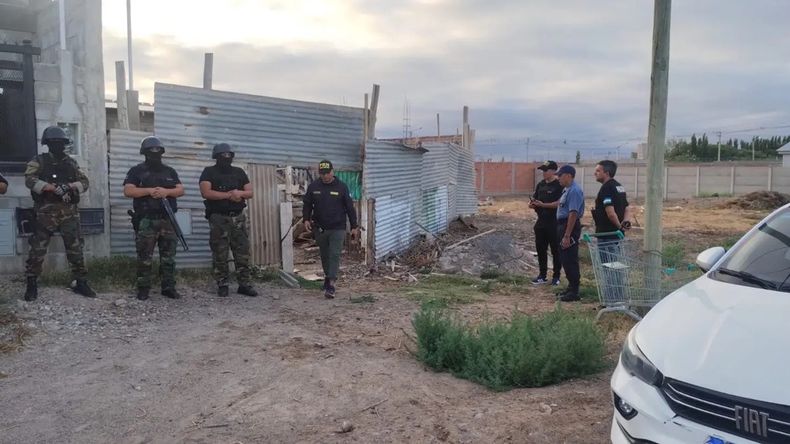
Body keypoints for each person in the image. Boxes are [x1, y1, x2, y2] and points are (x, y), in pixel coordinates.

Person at [23, 126, 96, 301]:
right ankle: (31, 283)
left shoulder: (71, 163)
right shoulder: (39, 160)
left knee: (75, 248)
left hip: (69, 212)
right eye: (54, 143)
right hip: (45, 213)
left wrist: (69, 186)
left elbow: (84, 182)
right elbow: (29, 179)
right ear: (47, 144)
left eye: (60, 143)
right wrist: (51, 188)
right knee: (37, 249)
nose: (58, 146)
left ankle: (81, 282)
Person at [123, 136, 185, 301]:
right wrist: (150, 191)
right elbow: (129, 191)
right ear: (144, 153)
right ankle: (143, 289)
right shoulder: (136, 171)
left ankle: (168, 287)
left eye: (158, 152)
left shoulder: (170, 171)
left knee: (169, 257)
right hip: (146, 220)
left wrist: (166, 192)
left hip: (167, 219)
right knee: (144, 257)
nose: (155, 155)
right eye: (151, 152)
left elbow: (180, 190)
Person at [199, 143, 257, 297]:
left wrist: (239, 193)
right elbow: (206, 192)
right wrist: (229, 195)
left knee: (242, 252)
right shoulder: (208, 172)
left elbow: (250, 192)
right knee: (220, 253)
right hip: (219, 218)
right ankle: (222, 284)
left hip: (238, 217)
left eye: (228, 156)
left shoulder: (239, 172)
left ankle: (244, 284)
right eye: (223, 156)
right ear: (216, 157)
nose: (226, 158)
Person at [302, 160, 359, 299]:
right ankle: (328, 277)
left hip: (337, 227)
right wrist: (306, 219)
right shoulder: (314, 186)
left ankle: (331, 284)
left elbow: (350, 208)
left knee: (334, 254)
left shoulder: (341, 187)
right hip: (320, 228)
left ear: (333, 171)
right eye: (322, 173)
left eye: (327, 173)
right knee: (325, 255)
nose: (325, 176)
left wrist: (354, 226)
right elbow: (307, 204)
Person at [592, 160, 632, 302]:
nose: (594, 173)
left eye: (598, 171)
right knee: (616, 266)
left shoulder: (606, 188)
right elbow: (627, 208)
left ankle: (612, 299)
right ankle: (618, 295)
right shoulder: (619, 187)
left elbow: (610, 212)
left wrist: (618, 226)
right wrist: (625, 223)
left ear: (606, 173)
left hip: (607, 234)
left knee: (609, 267)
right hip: (617, 235)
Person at [529, 160, 563, 286]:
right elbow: (536, 198)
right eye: (542, 170)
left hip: (554, 222)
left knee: (555, 250)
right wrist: (532, 204)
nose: (543, 173)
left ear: (554, 171)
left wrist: (544, 205)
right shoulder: (541, 185)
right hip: (541, 222)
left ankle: (556, 276)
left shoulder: (559, 185)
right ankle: (542, 275)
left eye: (546, 170)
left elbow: (560, 203)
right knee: (541, 249)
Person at [554, 165, 585, 302]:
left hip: (569, 226)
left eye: (560, 175)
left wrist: (567, 235)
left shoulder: (574, 191)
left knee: (570, 258)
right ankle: (571, 287)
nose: (558, 178)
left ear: (568, 175)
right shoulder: (566, 190)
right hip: (563, 225)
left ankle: (574, 291)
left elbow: (573, 214)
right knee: (564, 258)